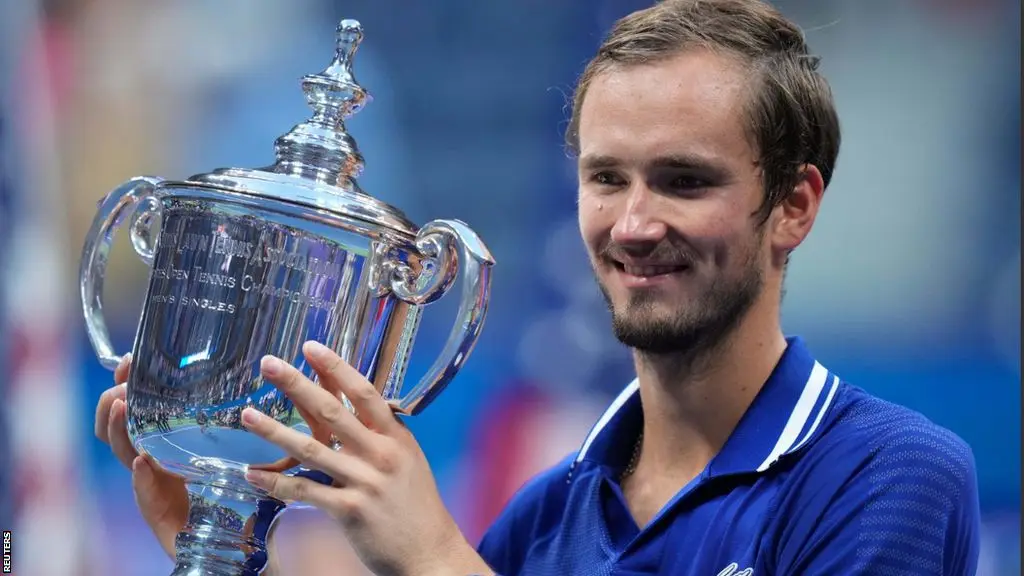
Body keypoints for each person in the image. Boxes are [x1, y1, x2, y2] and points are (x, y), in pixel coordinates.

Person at [94, 0, 981, 574]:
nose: (633, 224)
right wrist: (217, 544)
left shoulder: (890, 474)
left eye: (684, 181)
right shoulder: (545, 515)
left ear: (793, 206)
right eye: (606, 179)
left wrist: (440, 559)